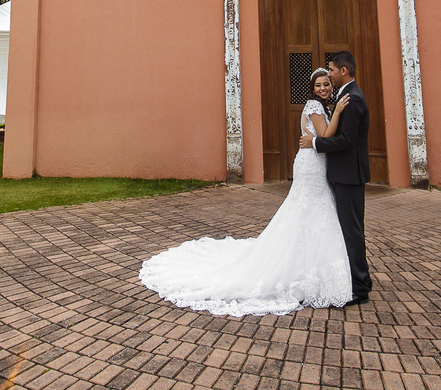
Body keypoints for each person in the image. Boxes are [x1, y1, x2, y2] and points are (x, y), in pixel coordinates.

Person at [138, 68, 353, 316]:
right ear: (312, 88)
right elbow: (325, 135)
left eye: (326, 84)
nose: (323, 88)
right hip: (311, 165)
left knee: (307, 212)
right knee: (308, 209)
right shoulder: (316, 107)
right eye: (318, 85)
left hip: (312, 161)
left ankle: (309, 266)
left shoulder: (320, 106)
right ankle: (302, 269)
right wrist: (337, 112)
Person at [299, 50, 372, 305]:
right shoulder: (344, 96)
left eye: (330, 71)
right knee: (349, 229)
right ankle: (356, 280)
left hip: (349, 174)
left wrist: (316, 142)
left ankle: (360, 288)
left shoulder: (353, 99)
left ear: (343, 72)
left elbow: (346, 140)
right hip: (344, 173)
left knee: (352, 231)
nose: (327, 74)